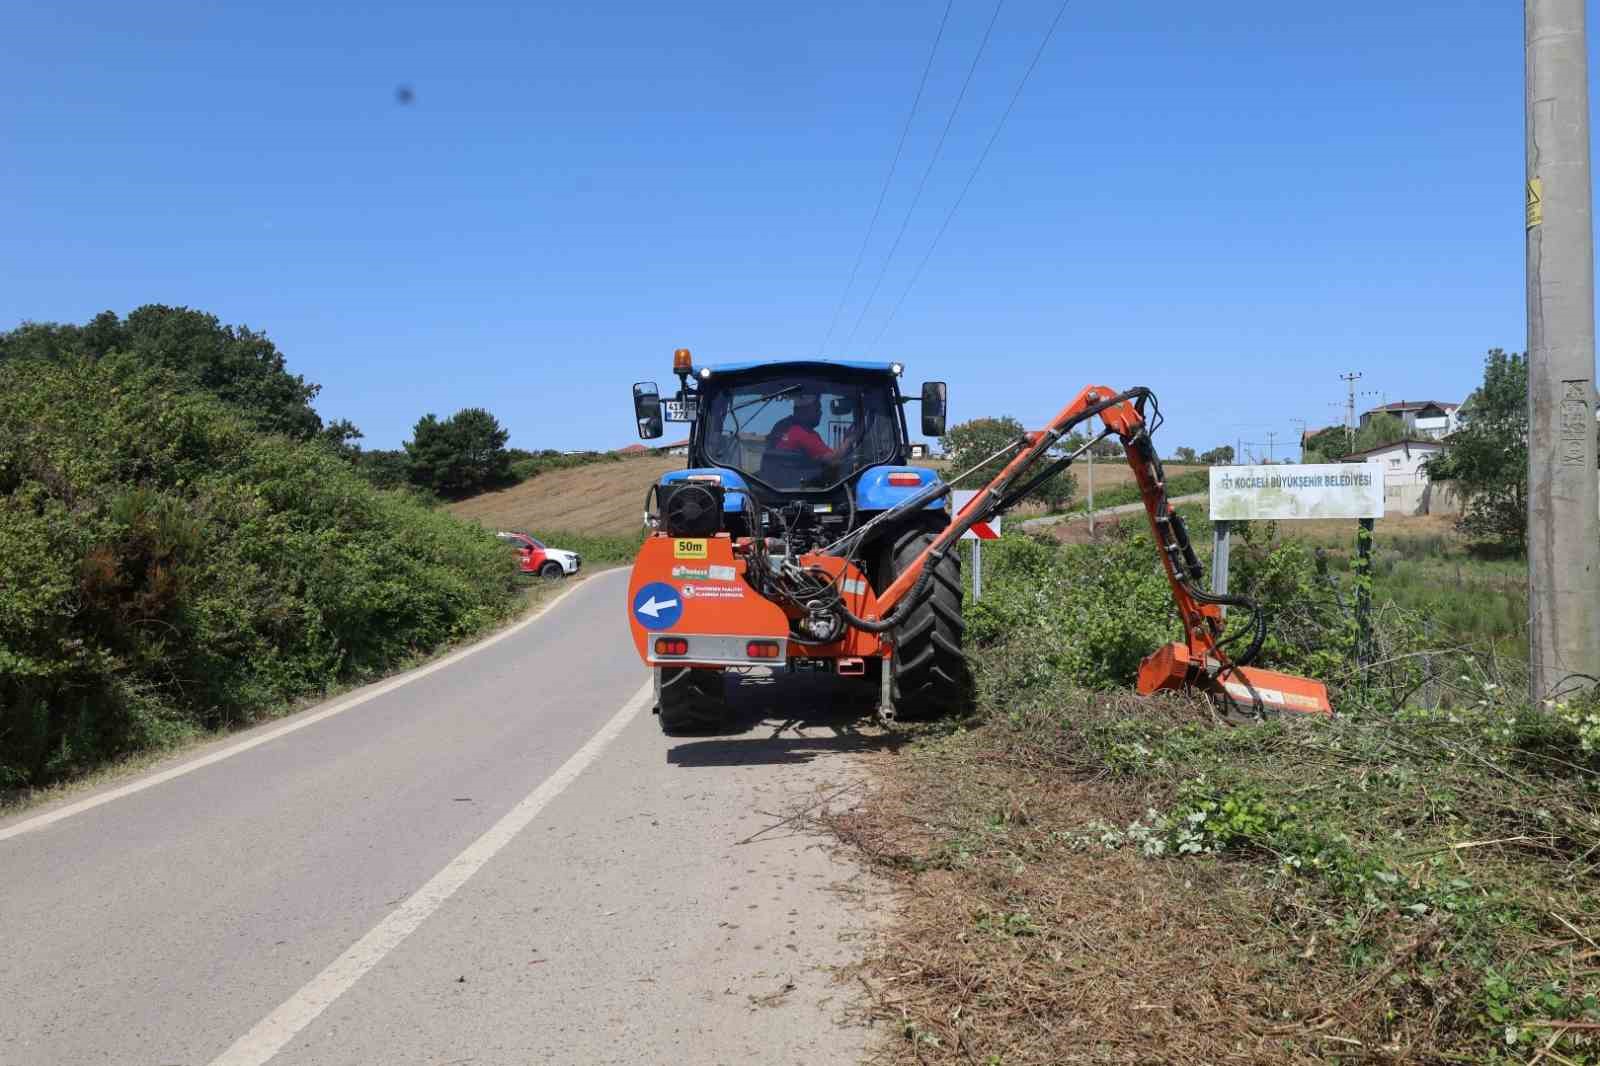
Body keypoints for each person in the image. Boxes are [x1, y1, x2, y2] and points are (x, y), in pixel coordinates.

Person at [767, 391, 858, 463]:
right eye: (818, 408)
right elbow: (834, 459)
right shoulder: (804, 433)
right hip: (798, 485)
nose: (820, 412)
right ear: (805, 409)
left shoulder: (780, 426)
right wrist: (849, 440)